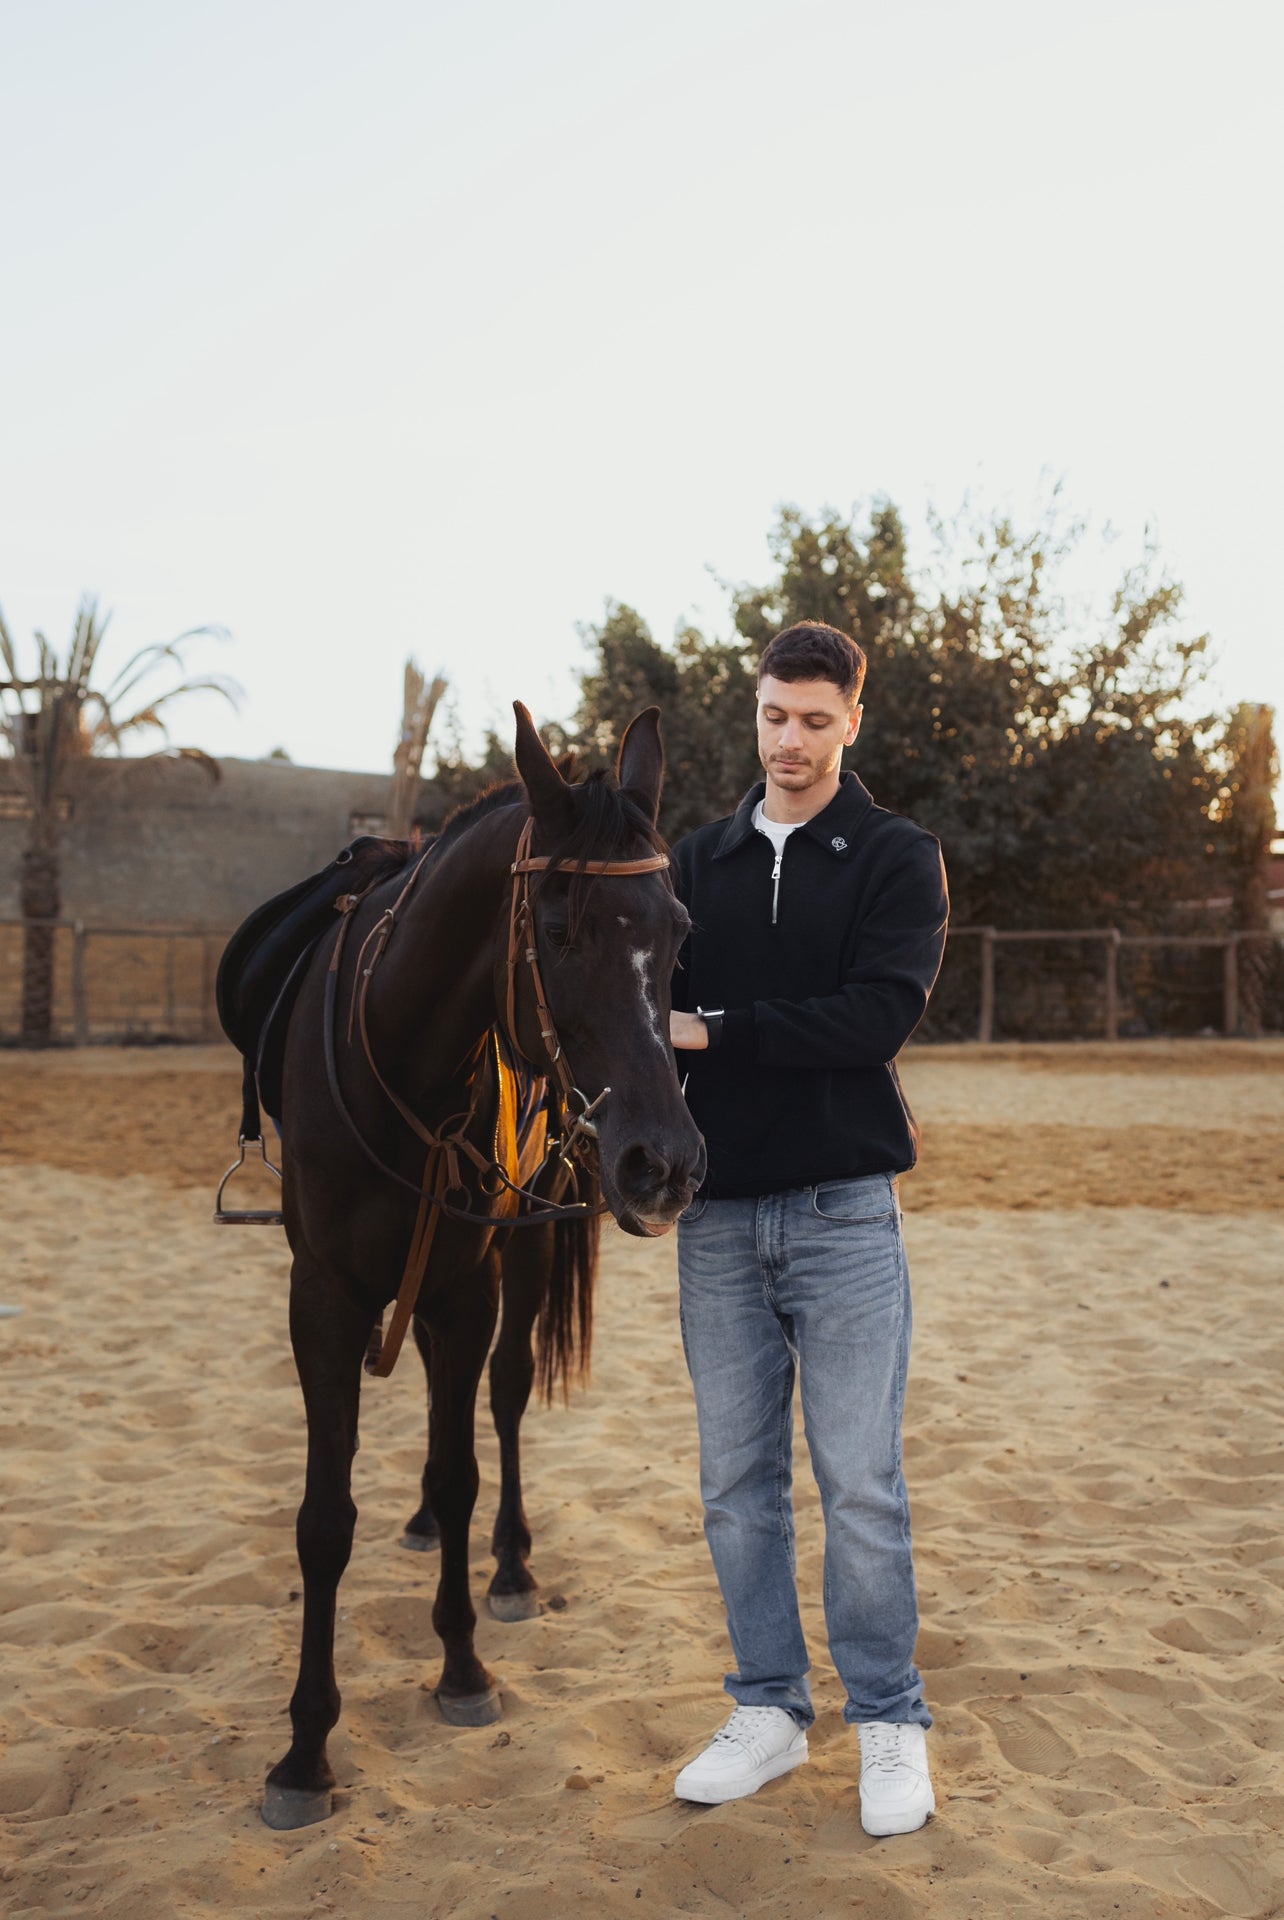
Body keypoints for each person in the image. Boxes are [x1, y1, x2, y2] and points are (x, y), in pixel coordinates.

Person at [667, 620, 949, 1838]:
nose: (792, 740)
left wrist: (720, 1031)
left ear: (852, 722)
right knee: (736, 1487)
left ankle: (889, 1722)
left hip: (844, 1215)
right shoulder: (692, 860)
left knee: (861, 1485)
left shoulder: (895, 856)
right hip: (716, 1217)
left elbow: (873, 1018)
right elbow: (637, 1011)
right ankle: (771, 1712)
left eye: (816, 719)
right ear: (758, 714)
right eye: (776, 716)